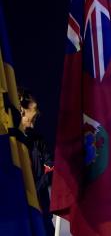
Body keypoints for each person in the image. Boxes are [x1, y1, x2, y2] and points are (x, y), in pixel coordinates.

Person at [18, 87, 55, 236]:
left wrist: (38, 188)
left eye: (35, 120)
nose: (33, 125)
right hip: (20, 212)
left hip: (42, 210)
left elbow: (49, 164)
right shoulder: (10, 144)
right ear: (20, 111)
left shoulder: (39, 141)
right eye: (30, 119)